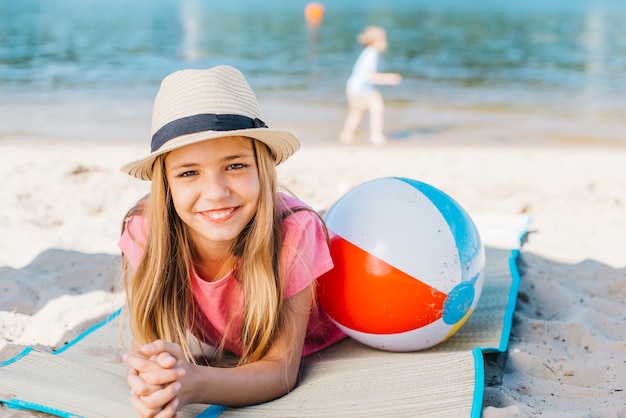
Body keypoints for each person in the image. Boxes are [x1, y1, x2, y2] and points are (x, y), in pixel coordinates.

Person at [118, 65, 346, 417]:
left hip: (341, 321)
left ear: (262, 167)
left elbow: (281, 370)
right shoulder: (143, 231)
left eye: (235, 166)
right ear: (166, 184)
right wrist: (154, 379)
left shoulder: (295, 231)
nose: (216, 193)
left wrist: (195, 382)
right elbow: (147, 350)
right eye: (189, 172)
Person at [339, 26, 402, 145]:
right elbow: (371, 77)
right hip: (361, 89)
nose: (385, 44)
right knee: (371, 110)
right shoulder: (371, 55)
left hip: (357, 88)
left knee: (360, 112)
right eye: (383, 41)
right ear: (373, 42)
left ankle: (347, 135)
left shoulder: (371, 54)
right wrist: (389, 78)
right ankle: (375, 136)